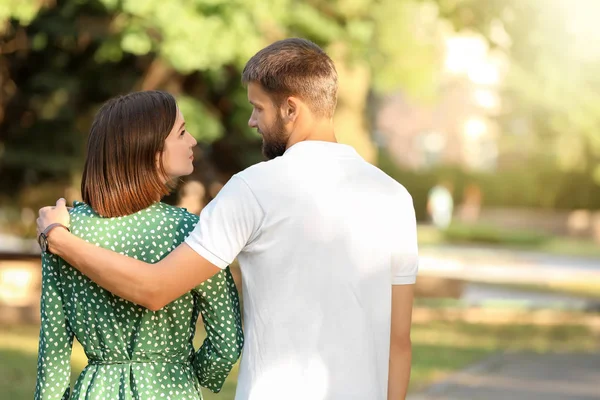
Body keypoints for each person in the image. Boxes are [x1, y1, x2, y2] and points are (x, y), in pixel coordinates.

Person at [37, 38, 418, 400]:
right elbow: (399, 341)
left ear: (290, 108)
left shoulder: (253, 188)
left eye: (258, 108)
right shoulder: (394, 197)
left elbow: (155, 289)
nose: (252, 122)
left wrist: (60, 237)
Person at [34, 91, 243, 400]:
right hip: (171, 390)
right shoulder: (188, 230)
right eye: (182, 133)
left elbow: (53, 349)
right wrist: (185, 372)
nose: (193, 141)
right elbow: (226, 342)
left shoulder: (62, 229)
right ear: (147, 147)